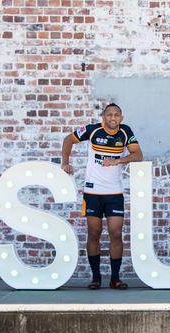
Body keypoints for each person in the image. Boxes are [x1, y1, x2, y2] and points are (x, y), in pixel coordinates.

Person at [61, 103, 143, 290]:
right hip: (93, 192)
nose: (113, 118)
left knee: (115, 233)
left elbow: (138, 154)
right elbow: (68, 140)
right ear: (103, 117)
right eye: (109, 115)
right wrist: (65, 163)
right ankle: (96, 278)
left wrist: (118, 160)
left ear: (121, 118)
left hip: (114, 193)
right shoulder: (92, 130)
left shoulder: (125, 132)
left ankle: (115, 278)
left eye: (116, 115)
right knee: (94, 233)